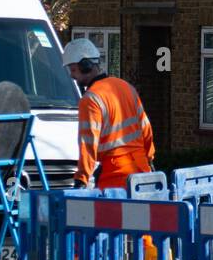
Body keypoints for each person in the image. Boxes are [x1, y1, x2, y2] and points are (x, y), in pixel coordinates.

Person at [61, 38, 155, 189]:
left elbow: (88, 144)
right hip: (141, 172)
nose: (72, 76)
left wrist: (82, 179)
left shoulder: (90, 99)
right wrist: (149, 159)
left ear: (86, 66)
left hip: (115, 177)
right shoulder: (126, 87)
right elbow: (146, 129)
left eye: (73, 70)